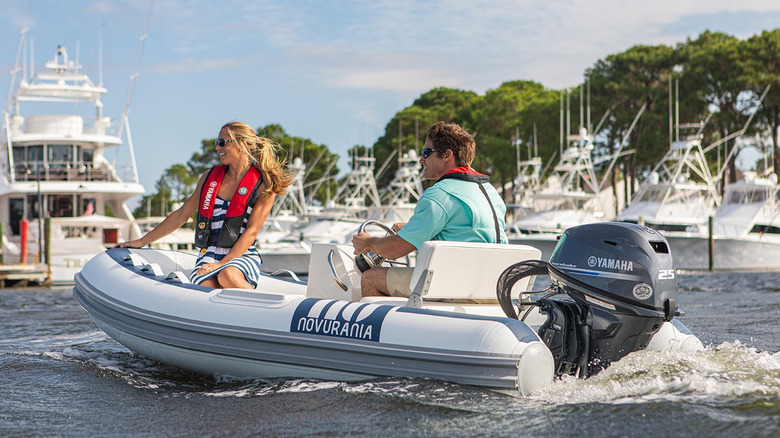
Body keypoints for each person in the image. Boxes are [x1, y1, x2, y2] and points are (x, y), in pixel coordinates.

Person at [116, 121, 293, 289]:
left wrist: (222, 264)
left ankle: (260, 313)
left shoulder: (264, 184)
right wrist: (141, 241)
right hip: (209, 253)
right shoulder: (209, 178)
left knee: (227, 276)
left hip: (242, 254)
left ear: (242, 144)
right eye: (217, 142)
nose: (218, 147)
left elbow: (251, 231)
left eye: (222, 142)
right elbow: (181, 216)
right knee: (207, 284)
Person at [351, 121, 507, 297]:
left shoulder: (439, 194)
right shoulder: (491, 193)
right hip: (491, 287)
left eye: (426, 153)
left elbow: (395, 250)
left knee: (370, 278)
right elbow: (466, 235)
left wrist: (368, 243)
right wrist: (413, 232)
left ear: (447, 155)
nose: (421, 160)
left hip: (455, 286)